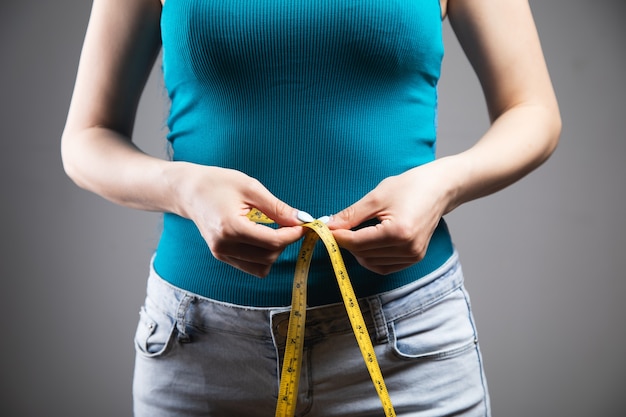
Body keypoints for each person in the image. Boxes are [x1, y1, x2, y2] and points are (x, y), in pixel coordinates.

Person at [61, 0, 561, 415]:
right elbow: (87, 138)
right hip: (201, 353)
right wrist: (183, 187)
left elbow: (533, 109)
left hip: (408, 345)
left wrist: (442, 185)